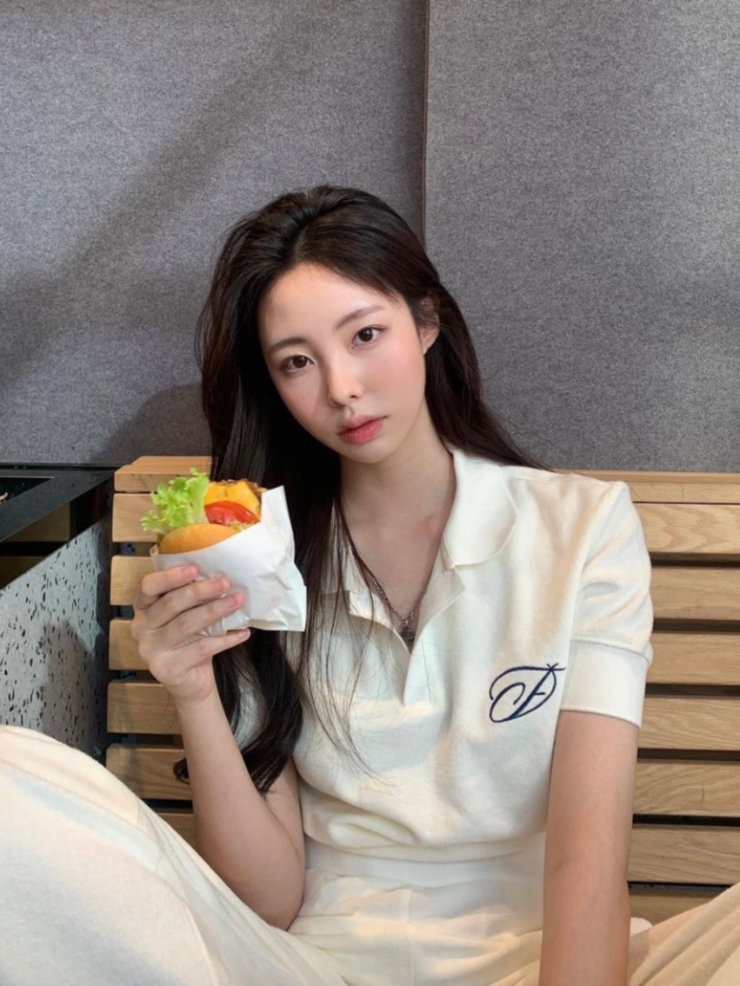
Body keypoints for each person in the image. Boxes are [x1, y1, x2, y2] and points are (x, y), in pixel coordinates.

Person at [1, 185, 739, 986]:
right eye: (297, 362)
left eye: (364, 335)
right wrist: (194, 693)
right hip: (313, 965)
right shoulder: (257, 554)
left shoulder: (583, 528)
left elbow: (588, 859)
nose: (341, 387)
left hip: (540, 955)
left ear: (427, 321)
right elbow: (267, 902)